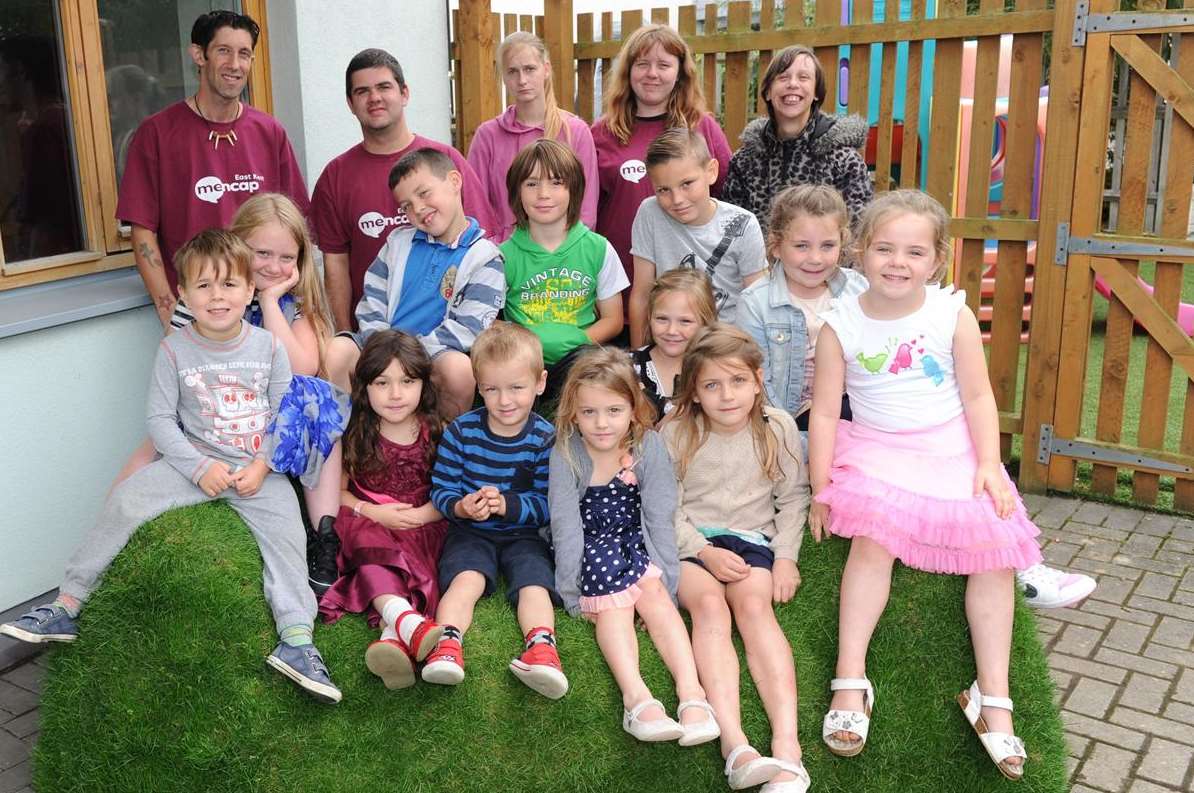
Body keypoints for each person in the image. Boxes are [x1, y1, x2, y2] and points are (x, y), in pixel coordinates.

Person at [0, 230, 341, 704]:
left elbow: (285, 416)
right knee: (124, 502)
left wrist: (263, 467)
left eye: (228, 285)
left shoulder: (268, 348)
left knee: (288, 540)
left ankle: (297, 641)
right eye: (203, 286)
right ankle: (67, 604)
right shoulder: (175, 350)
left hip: (253, 473)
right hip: (191, 463)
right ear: (183, 293)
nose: (216, 296)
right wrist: (199, 466)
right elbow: (160, 420)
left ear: (248, 291)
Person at [808, 190, 1040, 779]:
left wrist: (988, 463)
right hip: (880, 452)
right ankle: (851, 681)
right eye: (884, 248)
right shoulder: (841, 324)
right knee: (873, 541)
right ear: (860, 252)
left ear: (937, 259)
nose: (896, 262)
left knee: (993, 553)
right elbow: (828, 413)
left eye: (914, 251)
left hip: (950, 446)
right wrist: (820, 487)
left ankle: (992, 698)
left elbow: (979, 395)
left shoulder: (950, 314)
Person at [662, 324, 810, 793]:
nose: (727, 396)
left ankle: (788, 748)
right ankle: (735, 745)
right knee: (708, 608)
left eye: (738, 381)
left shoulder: (778, 427)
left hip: (751, 540)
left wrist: (784, 557)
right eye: (712, 385)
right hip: (694, 545)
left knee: (754, 608)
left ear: (758, 379)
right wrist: (703, 550)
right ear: (694, 391)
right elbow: (665, 508)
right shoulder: (677, 432)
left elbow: (794, 497)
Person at [549, 348, 719, 745]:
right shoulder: (566, 452)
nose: (602, 423)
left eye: (613, 410)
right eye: (589, 412)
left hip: (635, 540)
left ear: (632, 406)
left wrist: (670, 583)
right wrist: (572, 593)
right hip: (591, 545)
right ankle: (637, 700)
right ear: (573, 412)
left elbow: (658, 518)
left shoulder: (648, 447)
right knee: (615, 605)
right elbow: (565, 524)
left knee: (654, 594)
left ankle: (692, 695)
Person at [117, 10, 309, 331]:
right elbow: (142, 232)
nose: (235, 64)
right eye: (223, 51)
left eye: (244, 53)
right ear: (198, 55)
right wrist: (169, 311)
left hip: (268, 307)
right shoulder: (157, 133)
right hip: (200, 310)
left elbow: (297, 223)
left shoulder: (269, 131)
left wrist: (298, 301)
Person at [421, 322, 566, 699]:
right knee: (466, 580)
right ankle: (447, 644)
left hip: (524, 536)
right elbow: (441, 488)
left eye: (517, 387)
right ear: (478, 386)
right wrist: (461, 507)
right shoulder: (462, 432)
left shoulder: (545, 438)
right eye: (491, 390)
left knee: (534, 583)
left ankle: (542, 648)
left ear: (540, 382)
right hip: (471, 531)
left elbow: (549, 504)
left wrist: (510, 505)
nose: (505, 401)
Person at [311, 48, 498, 330]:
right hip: (377, 332)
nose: (374, 98)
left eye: (384, 87)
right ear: (350, 103)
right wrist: (344, 333)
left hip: (451, 333)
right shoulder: (335, 176)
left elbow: (483, 242)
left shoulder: (445, 160)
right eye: (362, 91)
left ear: (404, 93)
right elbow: (335, 266)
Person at [324, 147, 505, 419]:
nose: (418, 209)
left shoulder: (485, 257)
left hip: (434, 355)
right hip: (379, 347)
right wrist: (384, 352)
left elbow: (469, 327)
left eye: (424, 193)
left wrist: (409, 358)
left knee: (459, 371)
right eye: (406, 206)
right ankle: (347, 437)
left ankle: (440, 446)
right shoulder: (397, 243)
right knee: (335, 352)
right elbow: (372, 299)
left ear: (455, 182)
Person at [318, 331, 449, 690]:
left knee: (418, 568)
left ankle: (394, 637)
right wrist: (373, 512)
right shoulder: (356, 431)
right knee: (367, 544)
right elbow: (338, 494)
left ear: (424, 383)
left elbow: (451, 492)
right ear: (365, 386)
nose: (395, 394)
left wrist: (423, 515)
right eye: (382, 382)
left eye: (407, 381)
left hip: (421, 522)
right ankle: (405, 619)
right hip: (368, 519)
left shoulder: (437, 431)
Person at [592, 24, 733, 304]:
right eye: (642, 64)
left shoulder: (702, 127)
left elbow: (727, 199)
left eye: (664, 65)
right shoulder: (601, 133)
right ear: (628, 71)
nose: (652, 74)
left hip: (691, 280)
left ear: (680, 72)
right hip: (624, 279)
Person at [500, 139, 627, 398]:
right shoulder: (502, 256)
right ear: (517, 192)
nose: (543, 194)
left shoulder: (598, 248)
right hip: (522, 362)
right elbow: (490, 321)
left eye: (556, 182)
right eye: (531, 183)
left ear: (574, 190)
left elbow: (613, 320)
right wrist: (524, 345)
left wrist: (578, 340)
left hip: (580, 358)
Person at [737, 185, 867, 427]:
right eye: (801, 246)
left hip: (852, 413)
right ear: (776, 246)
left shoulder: (858, 290)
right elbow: (757, 380)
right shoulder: (755, 302)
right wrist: (788, 436)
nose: (815, 259)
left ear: (842, 242)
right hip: (789, 420)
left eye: (827, 246)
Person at [629, 128, 767, 346]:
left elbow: (759, 300)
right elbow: (642, 294)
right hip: (669, 340)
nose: (677, 199)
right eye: (663, 190)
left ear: (711, 171)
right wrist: (638, 359)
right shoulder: (650, 213)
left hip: (725, 346)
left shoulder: (744, 224)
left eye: (687, 184)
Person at [721, 45, 872, 235]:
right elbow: (732, 228)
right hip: (759, 264)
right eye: (783, 77)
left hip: (821, 263)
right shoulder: (745, 161)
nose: (792, 84)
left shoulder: (843, 160)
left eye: (803, 77)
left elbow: (858, 231)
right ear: (768, 92)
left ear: (817, 92)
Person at [467, 32, 599, 242]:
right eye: (512, 71)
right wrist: (496, 250)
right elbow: (475, 204)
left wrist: (561, 250)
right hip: (504, 257)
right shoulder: (487, 136)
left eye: (529, 69)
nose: (522, 80)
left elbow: (587, 208)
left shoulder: (576, 131)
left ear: (545, 69)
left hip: (562, 256)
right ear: (503, 77)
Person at [631, 269, 717, 420]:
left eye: (685, 321)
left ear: (706, 322)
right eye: (662, 319)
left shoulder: (718, 369)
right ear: (650, 317)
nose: (672, 330)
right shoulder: (627, 368)